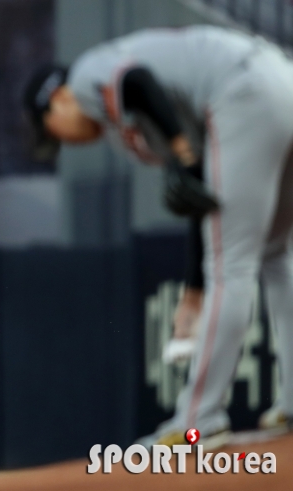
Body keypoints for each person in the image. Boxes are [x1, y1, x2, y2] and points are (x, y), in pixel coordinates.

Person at [24, 25, 293, 449]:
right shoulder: (149, 111)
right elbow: (200, 196)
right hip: (279, 78)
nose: (63, 142)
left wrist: (184, 157)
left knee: (234, 265)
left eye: (51, 130)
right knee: (277, 256)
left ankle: (198, 418)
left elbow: (137, 81)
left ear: (57, 101)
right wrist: (192, 294)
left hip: (243, 92)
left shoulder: (84, 77)